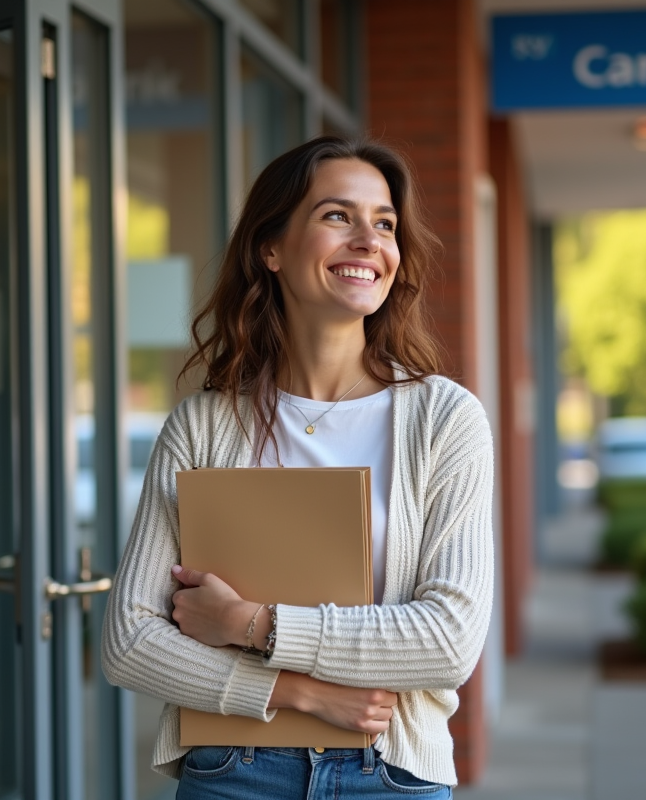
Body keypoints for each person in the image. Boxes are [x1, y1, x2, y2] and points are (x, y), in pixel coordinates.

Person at [102, 135, 495, 799]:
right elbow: (128, 641)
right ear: (271, 248)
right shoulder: (203, 425)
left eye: (386, 224)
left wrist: (251, 625)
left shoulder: (443, 420)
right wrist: (296, 691)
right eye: (337, 216)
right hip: (233, 770)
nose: (370, 240)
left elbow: (448, 641)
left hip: (388, 773)